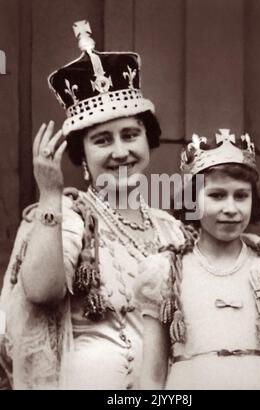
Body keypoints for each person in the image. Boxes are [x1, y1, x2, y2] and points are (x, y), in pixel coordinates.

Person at [0, 20, 184, 390]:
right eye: (102, 140)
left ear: (148, 140)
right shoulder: (68, 216)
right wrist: (50, 195)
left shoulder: (170, 227)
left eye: (131, 135)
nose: (121, 152)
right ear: (81, 155)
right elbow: (40, 292)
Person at [136, 129, 260, 390]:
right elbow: (152, 376)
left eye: (241, 196)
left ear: (253, 200)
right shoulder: (166, 272)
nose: (231, 209)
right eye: (216, 195)